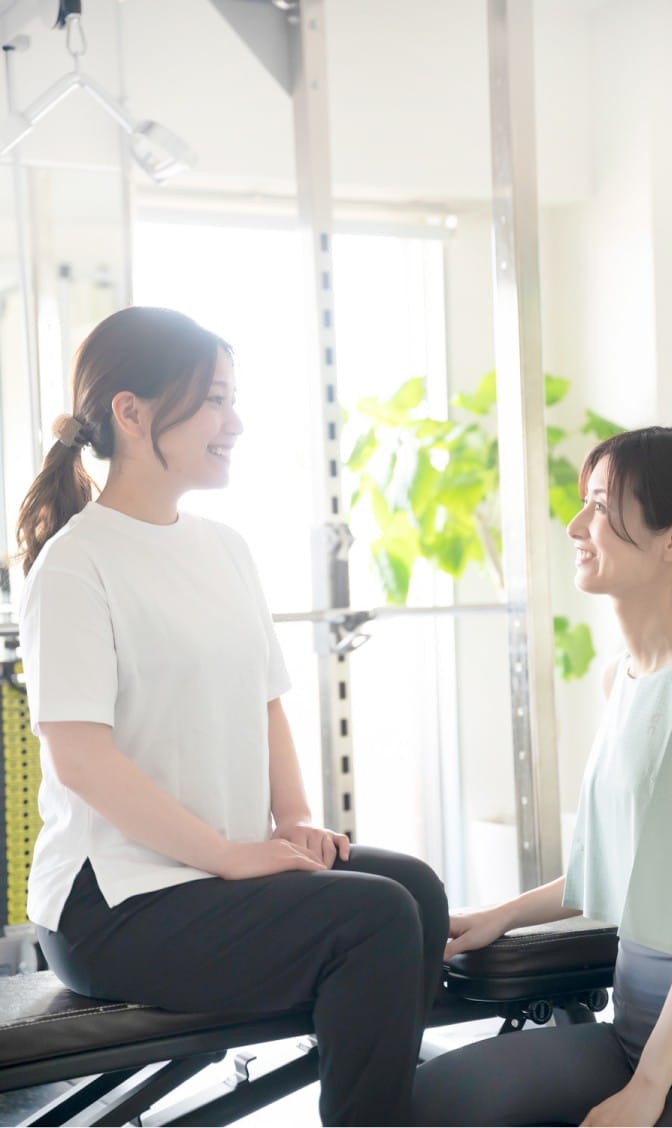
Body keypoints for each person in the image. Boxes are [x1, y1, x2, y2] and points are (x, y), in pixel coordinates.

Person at [16, 305, 448, 1128]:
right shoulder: (75, 566)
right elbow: (82, 760)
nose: (235, 422)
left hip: (210, 878)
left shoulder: (224, 548)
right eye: (214, 400)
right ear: (131, 413)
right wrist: (228, 855)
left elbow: (265, 700)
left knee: (415, 891)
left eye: (232, 399)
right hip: (115, 903)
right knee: (375, 919)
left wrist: (293, 822)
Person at [413, 426, 672, 1127]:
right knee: (434, 1101)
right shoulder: (618, 679)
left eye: (600, 505)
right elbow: (621, 866)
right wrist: (499, 916)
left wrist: (647, 1090)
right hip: (634, 1033)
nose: (575, 526)